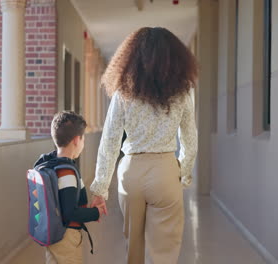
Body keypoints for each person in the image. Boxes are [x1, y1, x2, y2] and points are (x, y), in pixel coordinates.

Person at [90, 27, 198, 264]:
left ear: (131, 57)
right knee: (164, 250)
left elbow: (110, 140)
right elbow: (190, 138)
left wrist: (100, 187)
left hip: (131, 172)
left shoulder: (124, 92)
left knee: (133, 246)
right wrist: (185, 173)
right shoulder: (183, 92)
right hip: (165, 171)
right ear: (174, 57)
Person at [34, 111, 107, 264]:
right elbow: (69, 212)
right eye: (83, 138)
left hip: (53, 234)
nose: (83, 143)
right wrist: (96, 213)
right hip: (66, 237)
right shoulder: (66, 172)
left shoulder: (52, 164)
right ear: (76, 140)